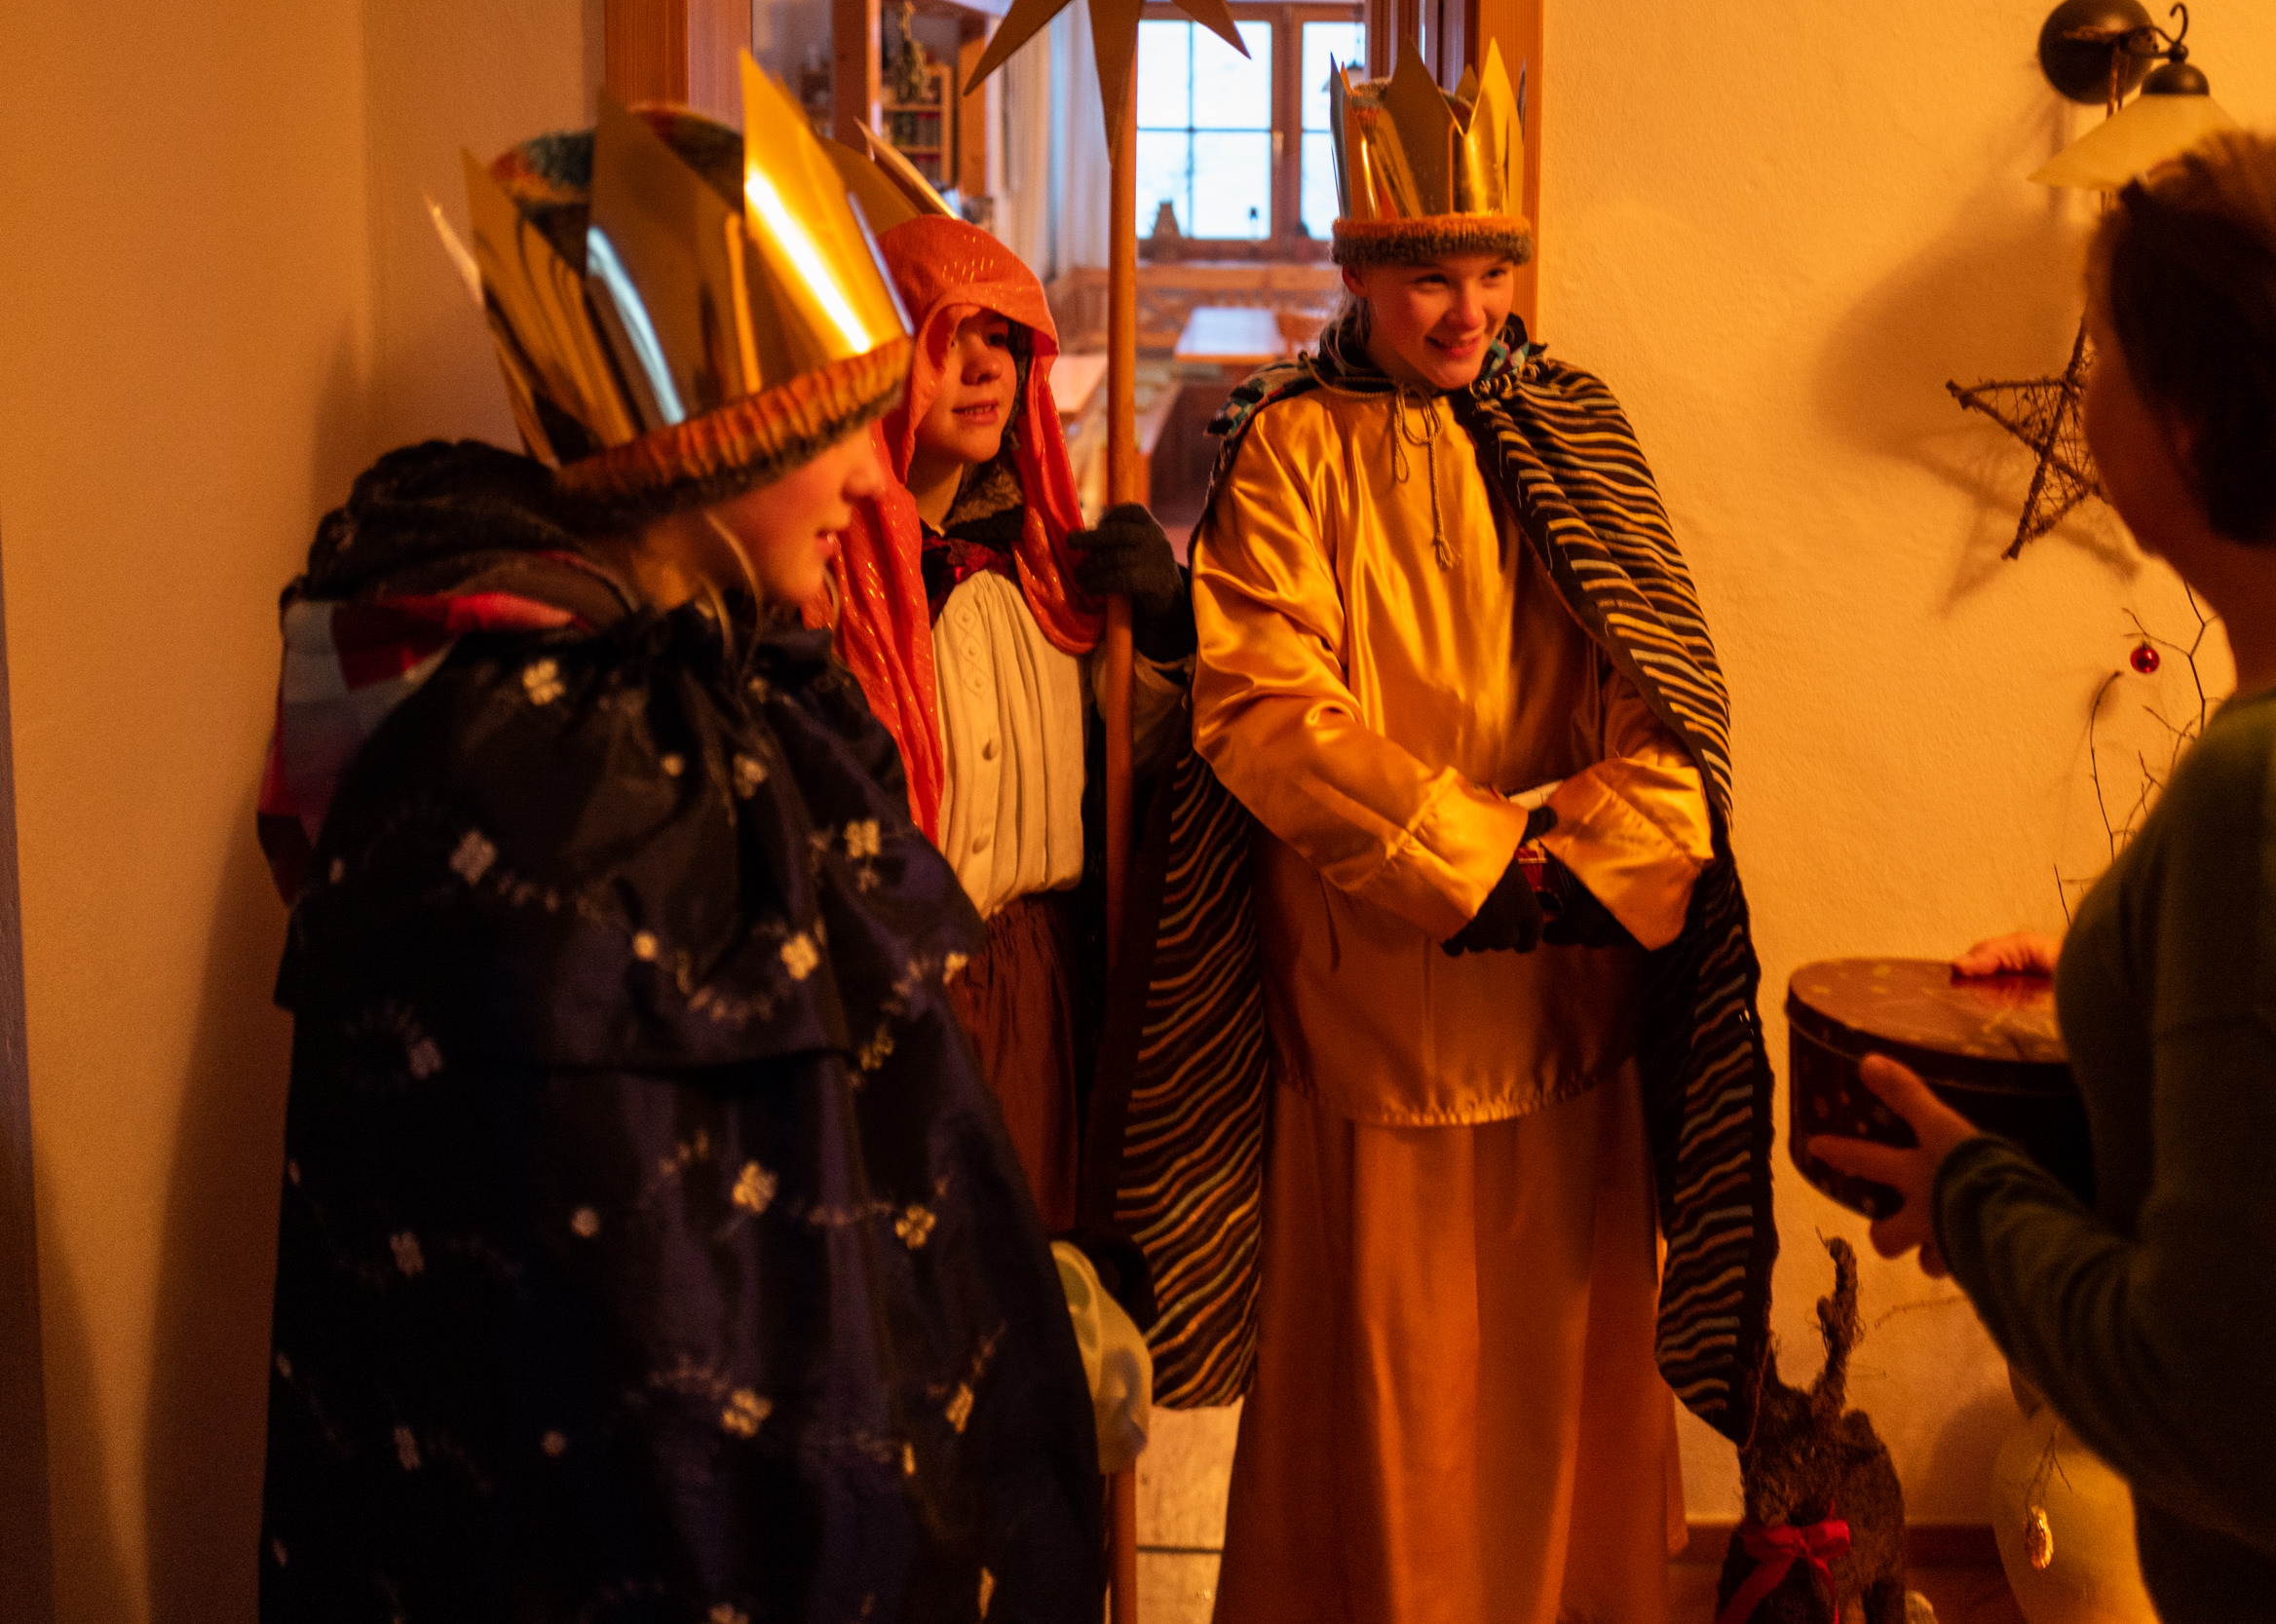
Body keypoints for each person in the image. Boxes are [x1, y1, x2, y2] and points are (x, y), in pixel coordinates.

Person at [251, 76, 1103, 1621]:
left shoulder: (689, 691)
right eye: (839, 431)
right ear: (721, 449)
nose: (874, 476)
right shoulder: (562, 770)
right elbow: (659, 1324)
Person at [1147, 47, 1778, 1624]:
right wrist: (1467, 858)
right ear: (1360, 273)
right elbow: (1261, 698)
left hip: (1566, 989)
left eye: (1494, 272)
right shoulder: (1288, 444)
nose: (1469, 310)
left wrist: (1588, 855)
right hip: (1375, 996)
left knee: (1561, 1366)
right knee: (1393, 1395)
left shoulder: (1570, 427)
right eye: (1433, 276)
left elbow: (1661, 698)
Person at [1815, 129, 2276, 1622]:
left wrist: (1973, 1193)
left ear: (2199, 421)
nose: (2084, 398)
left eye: (2101, 357)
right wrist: (2154, 980)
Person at [812, 170, 1190, 1233]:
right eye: (948, 338)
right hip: (899, 984)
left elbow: (1134, 760)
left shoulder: (1054, 575)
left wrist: (1163, 624)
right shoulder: (836, 593)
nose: (985, 367)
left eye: (1003, 338)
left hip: (1040, 986)